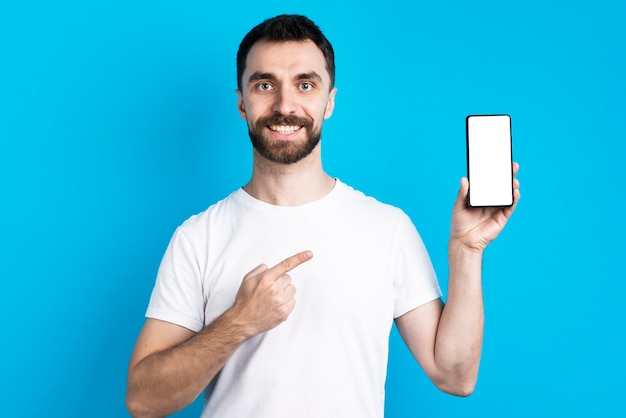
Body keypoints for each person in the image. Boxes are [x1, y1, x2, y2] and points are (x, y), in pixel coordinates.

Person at [126, 14, 520, 418]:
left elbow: (455, 377)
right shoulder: (198, 237)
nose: (284, 106)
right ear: (242, 102)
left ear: (329, 101)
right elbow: (143, 399)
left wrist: (468, 251)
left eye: (305, 84)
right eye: (265, 85)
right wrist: (238, 322)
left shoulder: (387, 228)